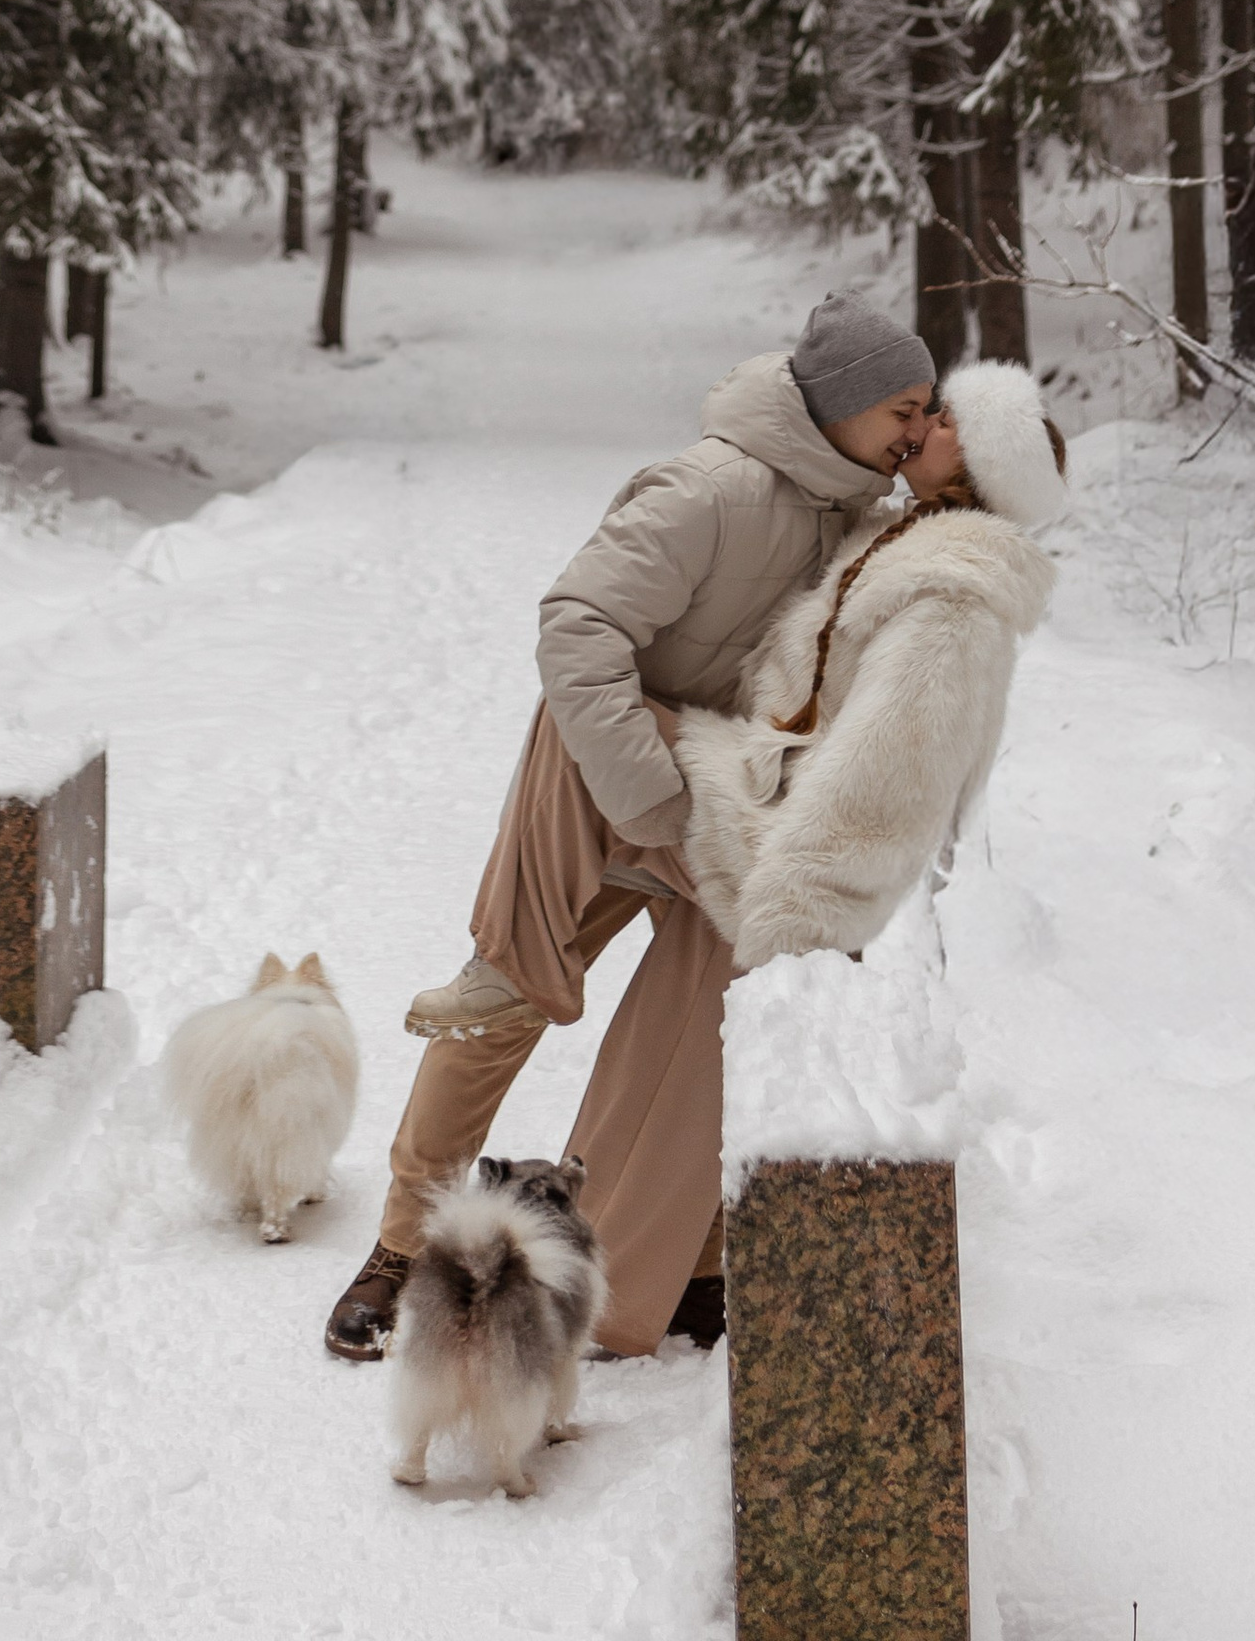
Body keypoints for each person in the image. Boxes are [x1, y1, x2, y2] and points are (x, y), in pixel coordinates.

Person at [323, 289, 956, 1364]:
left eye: (924, 408)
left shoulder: (864, 516)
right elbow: (576, 627)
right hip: (604, 785)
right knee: (507, 997)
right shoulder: (711, 489)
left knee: (704, 1028)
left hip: (723, 805)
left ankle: (664, 1264)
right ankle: (398, 1247)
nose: (913, 426)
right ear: (840, 404)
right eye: (901, 405)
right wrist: (647, 797)